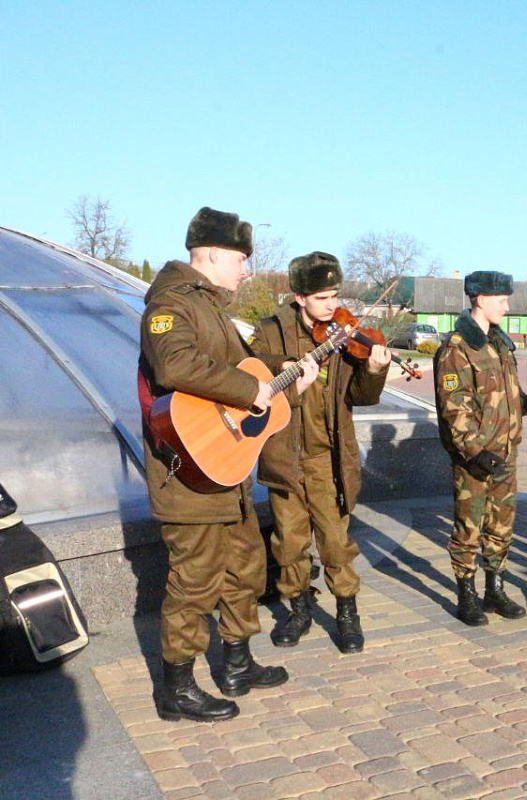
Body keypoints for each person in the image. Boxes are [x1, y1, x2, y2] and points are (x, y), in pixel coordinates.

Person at [139, 207, 313, 722]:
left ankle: (237, 663)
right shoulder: (170, 304)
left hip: (225, 471)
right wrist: (251, 388)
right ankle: (176, 688)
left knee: (245, 566)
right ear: (212, 253)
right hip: (188, 477)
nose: (246, 270)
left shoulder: (212, 308)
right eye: (240, 259)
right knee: (194, 580)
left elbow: (239, 388)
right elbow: (176, 365)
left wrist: (283, 385)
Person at [251, 252, 390, 654]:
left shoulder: (345, 335)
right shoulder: (271, 331)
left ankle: (348, 613)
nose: (332, 306)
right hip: (284, 454)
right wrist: (287, 367)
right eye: (322, 298)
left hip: (329, 457)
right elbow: (250, 370)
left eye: (335, 296)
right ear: (299, 297)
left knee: (335, 542)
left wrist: (375, 370)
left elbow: (361, 396)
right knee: (290, 542)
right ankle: (298, 608)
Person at [433, 271, 527, 626]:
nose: (507, 306)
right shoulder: (457, 347)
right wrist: (475, 452)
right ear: (479, 299)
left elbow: (499, 398)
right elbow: (455, 406)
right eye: (501, 300)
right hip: (476, 459)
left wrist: (526, 402)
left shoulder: (499, 343)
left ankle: (494, 589)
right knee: (469, 528)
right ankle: (466, 594)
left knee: (501, 526)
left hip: (506, 453)